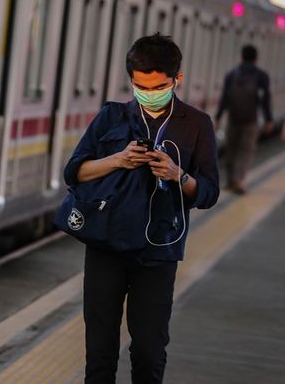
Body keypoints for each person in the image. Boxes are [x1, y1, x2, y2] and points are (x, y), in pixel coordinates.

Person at [64, 33, 219, 383]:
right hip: (107, 244)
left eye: (159, 86)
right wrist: (117, 160)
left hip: (159, 250)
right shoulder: (112, 117)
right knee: (100, 353)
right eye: (140, 86)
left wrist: (179, 175)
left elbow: (209, 192)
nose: (149, 93)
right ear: (131, 81)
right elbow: (74, 172)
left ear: (177, 80)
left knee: (149, 352)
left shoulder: (196, 124)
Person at [215, 44, 273, 194]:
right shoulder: (261, 76)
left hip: (233, 118)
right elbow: (265, 99)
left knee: (231, 149)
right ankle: (238, 180)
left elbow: (225, 98)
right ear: (256, 59)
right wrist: (268, 119)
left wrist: (218, 117)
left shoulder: (231, 74)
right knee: (245, 151)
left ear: (241, 57)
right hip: (250, 121)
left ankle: (229, 181)